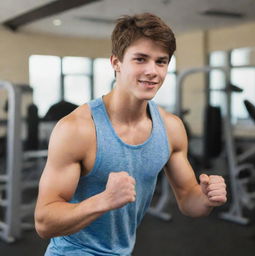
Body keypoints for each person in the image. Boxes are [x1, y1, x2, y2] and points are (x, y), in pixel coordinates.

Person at [35, 13, 227, 256]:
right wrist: (103, 200)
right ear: (116, 62)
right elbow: (44, 223)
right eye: (140, 59)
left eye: (161, 61)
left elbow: (189, 201)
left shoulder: (171, 128)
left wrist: (206, 198)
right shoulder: (77, 129)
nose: (152, 71)